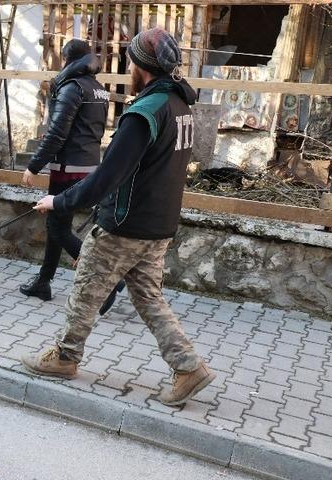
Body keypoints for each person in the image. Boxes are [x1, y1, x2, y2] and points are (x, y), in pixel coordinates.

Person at [22, 28, 216, 407]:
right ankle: (189, 368)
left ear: (141, 67)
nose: (128, 67)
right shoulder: (180, 106)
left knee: (85, 289)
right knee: (149, 300)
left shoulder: (144, 113)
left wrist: (58, 202)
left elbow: (106, 177)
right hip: (158, 225)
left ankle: (65, 356)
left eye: (130, 61)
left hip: (125, 224)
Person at [19, 39, 125, 315]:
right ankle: (43, 282)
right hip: (89, 165)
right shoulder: (98, 88)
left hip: (67, 168)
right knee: (58, 225)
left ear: (67, 59)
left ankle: (106, 282)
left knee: (57, 228)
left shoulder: (71, 87)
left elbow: (57, 134)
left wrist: (33, 166)